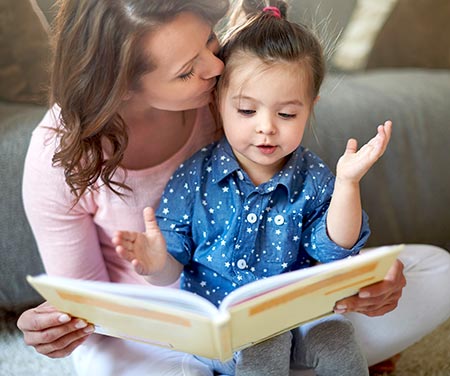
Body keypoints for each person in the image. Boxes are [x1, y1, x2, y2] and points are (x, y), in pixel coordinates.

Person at [15, 0, 450, 375]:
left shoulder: (229, 92)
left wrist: (369, 280)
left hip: (283, 305)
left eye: (209, 41)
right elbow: (87, 308)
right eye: (187, 71)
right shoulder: (59, 156)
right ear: (121, 84)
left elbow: (313, 225)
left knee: (434, 271)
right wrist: (56, 325)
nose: (216, 68)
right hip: (156, 330)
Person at [112, 4, 391, 375]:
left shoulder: (313, 176)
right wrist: (154, 263)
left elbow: (334, 250)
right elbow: (170, 267)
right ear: (217, 103)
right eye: (246, 111)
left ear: (310, 108)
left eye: (287, 114)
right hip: (221, 332)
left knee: (337, 339)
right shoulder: (195, 176)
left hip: (300, 319)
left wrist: (347, 183)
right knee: (264, 339)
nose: (267, 128)